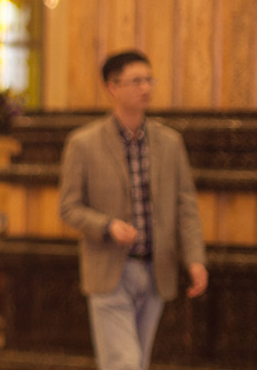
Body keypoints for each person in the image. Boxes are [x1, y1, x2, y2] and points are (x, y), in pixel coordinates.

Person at [57, 50, 207, 370]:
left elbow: (186, 206)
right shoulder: (84, 143)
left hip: (156, 269)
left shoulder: (170, 142)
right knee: (123, 362)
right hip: (110, 269)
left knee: (138, 361)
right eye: (136, 81)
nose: (145, 88)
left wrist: (195, 259)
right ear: (112, 87)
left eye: (149, 80)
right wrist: (107, 226)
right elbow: (69, 207)